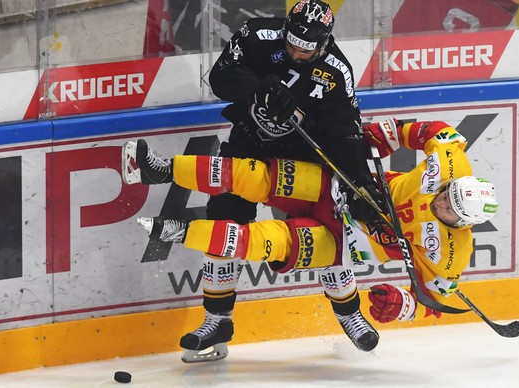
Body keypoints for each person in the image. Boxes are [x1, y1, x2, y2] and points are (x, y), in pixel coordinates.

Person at [122, 117, 498, 359]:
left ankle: (180, 231)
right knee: (253, 175)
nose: (443, 202)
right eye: (447, 194)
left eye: (450, 210)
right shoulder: (452, 162)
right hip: (343, 188)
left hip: (344, 242)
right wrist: (386, 134)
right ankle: (160, 169)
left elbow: (432, 300)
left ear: (463, 225)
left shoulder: (453, 253)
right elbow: (431, 131)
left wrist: (400, 305)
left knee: (266, 239)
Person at [168, 0, 383, 362]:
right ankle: (217, 318)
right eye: (292, 44)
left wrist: (360, 184)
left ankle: (349, 313)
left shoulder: (336, 71)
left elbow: (346, 133)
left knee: (326, 233)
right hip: (249, 146)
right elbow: (221, 76)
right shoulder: (257, 36)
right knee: (223, 220)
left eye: (306, 48)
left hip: (299, 158)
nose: (297, 52)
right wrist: (260, 88)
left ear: (325, 42)